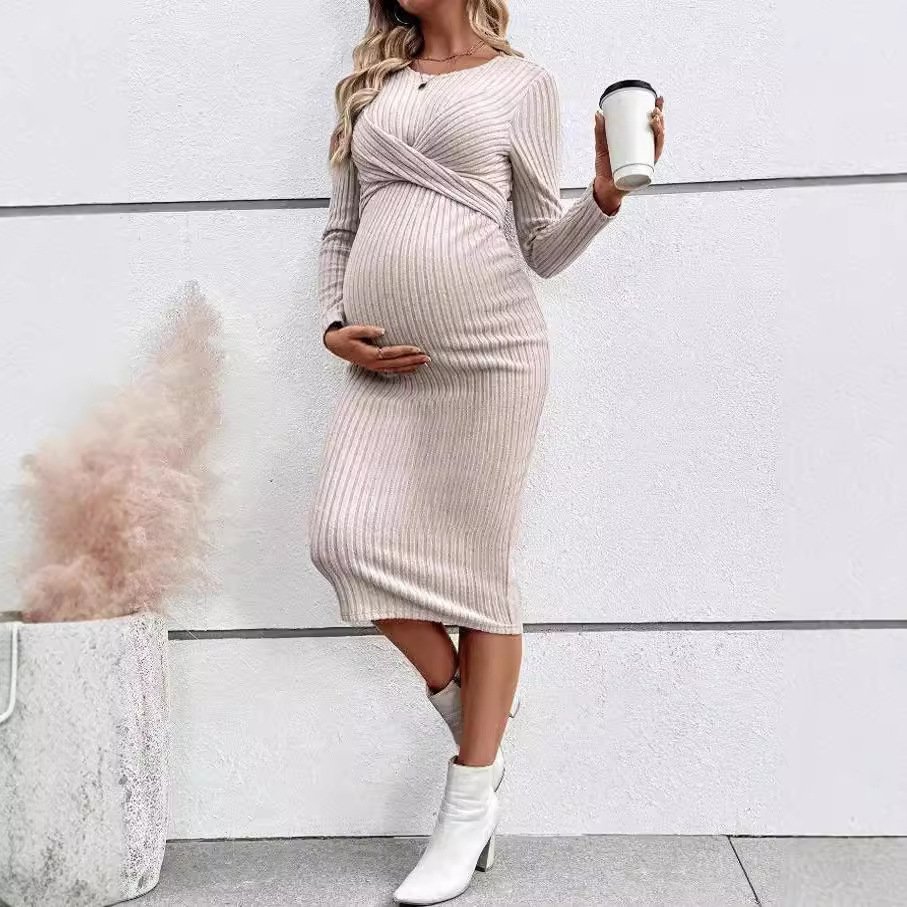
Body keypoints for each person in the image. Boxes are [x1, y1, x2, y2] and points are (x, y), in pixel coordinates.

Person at [308, 1, 665, 903]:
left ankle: (466, 803)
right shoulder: (371, 86)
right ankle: (483, 738)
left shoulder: (522, 83)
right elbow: (340, 229)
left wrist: (604, 198)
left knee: (477, 574)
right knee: (340, 540)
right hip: (385, 368)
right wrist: (332, 325)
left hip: (492, 354)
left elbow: (540, 246)